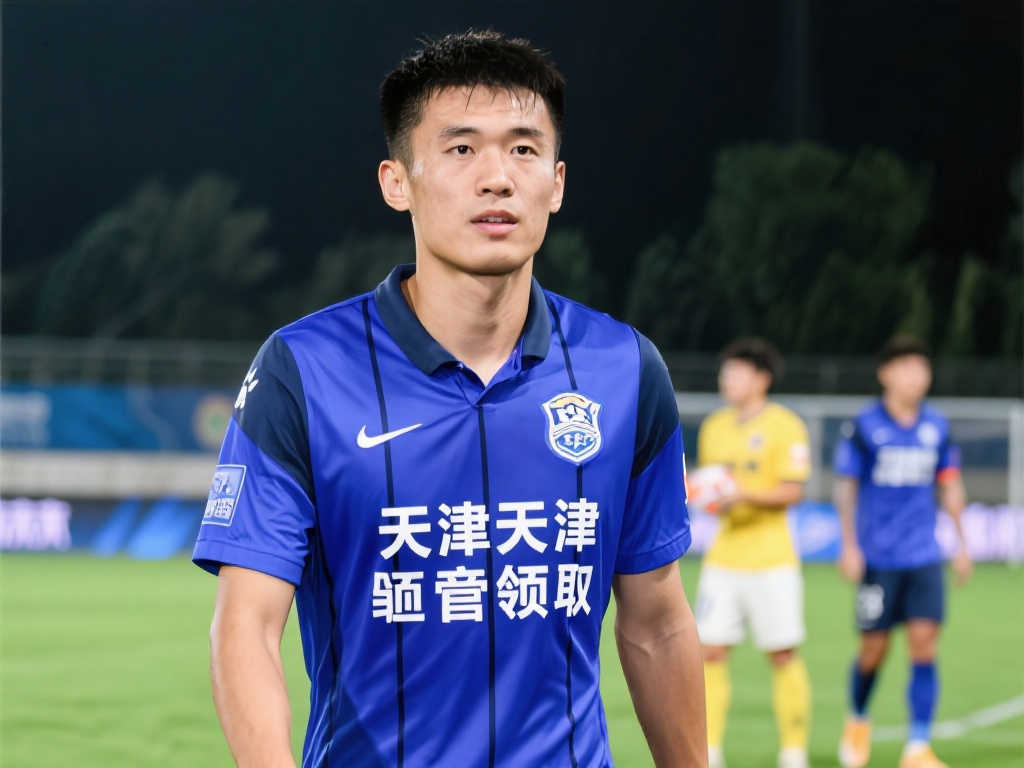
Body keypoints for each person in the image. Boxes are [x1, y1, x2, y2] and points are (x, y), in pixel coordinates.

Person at [192, 30, 707, 768]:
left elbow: (657, 620)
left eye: (524, 150)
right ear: (396, 181)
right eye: (462, 149)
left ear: (557, 183)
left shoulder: (624, 369)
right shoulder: (303, 370)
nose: (498, 178)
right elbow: (246, 625)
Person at [834, 334, 970, 768]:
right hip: (878, 558)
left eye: (922, 368)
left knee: (924, 645)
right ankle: (858, 718)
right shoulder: (864, 426)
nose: (916, 377)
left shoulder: (937, 426)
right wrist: (849, 545)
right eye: (906, 368)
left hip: (925, 555)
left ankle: (917, 746)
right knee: (873, 649)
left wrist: (961, 544)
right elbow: (846, 488)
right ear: (885, 374)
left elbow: (949, 484)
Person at [694, 338, 813, 768]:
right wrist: (706, 495)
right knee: (710, 651)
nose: (727, 380)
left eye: (737, 373)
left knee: (782, 653)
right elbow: (712, 491)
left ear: (761, 379)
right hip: (723, 558)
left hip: (771, 560)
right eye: (725, 373)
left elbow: (793, 491)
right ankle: (709, 751)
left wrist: (741, 493)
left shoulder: (786, 426)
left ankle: (794, 751)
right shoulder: (714, 427)